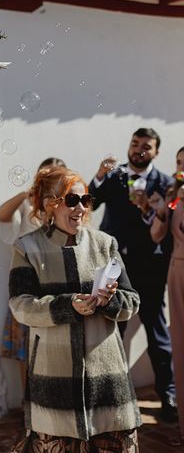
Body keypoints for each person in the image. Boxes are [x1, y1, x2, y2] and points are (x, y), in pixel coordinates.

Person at [9, 166, 141, 452]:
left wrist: (110, 302)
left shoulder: (106, 244)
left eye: (86, 200)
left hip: (108, 383)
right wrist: (66, 305)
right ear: (49, 205)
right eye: (71, 200)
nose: (80, 207)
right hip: (53, 384)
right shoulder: (27, 248)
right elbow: (20, 306)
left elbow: (131, 301)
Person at [89, 127, 176, 421]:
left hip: (150, 266)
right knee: (109, 330)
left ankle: (170, 398)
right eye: (135, 143)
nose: (139, 149)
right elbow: (91, 201)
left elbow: (168, 229)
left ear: (156, 152)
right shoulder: (113, 177)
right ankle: (106, 399)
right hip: (112, 264)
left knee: (157, 332)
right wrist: (99, 175)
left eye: (146, 146)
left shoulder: (165, 184)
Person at [0, 157, 65, 389]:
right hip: (30, 287)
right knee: (27, 349)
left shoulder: (69, 207)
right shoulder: (28, 205)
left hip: (58, 287)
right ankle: (29, 407)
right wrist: (26, 194)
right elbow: (3, 217)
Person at [150, 146, 184, 444]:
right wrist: (162, 209)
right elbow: (156, 235)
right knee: (180, 344)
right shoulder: (174, 196)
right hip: (177, 272)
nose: (181, 168)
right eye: (178, 163)